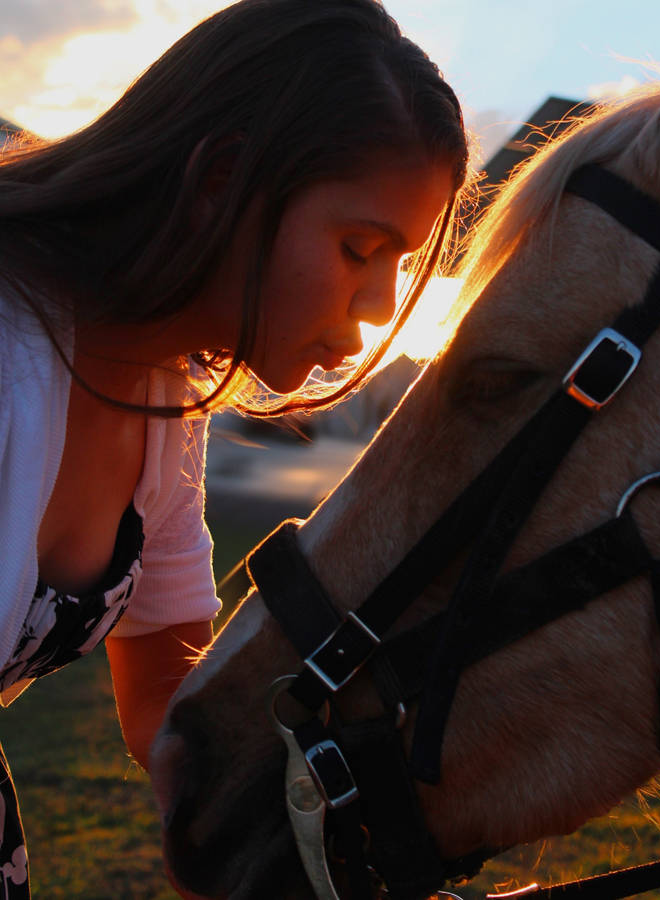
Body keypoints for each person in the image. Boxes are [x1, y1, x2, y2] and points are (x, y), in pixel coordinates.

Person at [0, 0, 468, 895]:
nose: (378, 305)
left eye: (398, 266)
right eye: (359, 247)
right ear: (221, 177)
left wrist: (334, 803)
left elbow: (167, 701)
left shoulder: (161, 391)